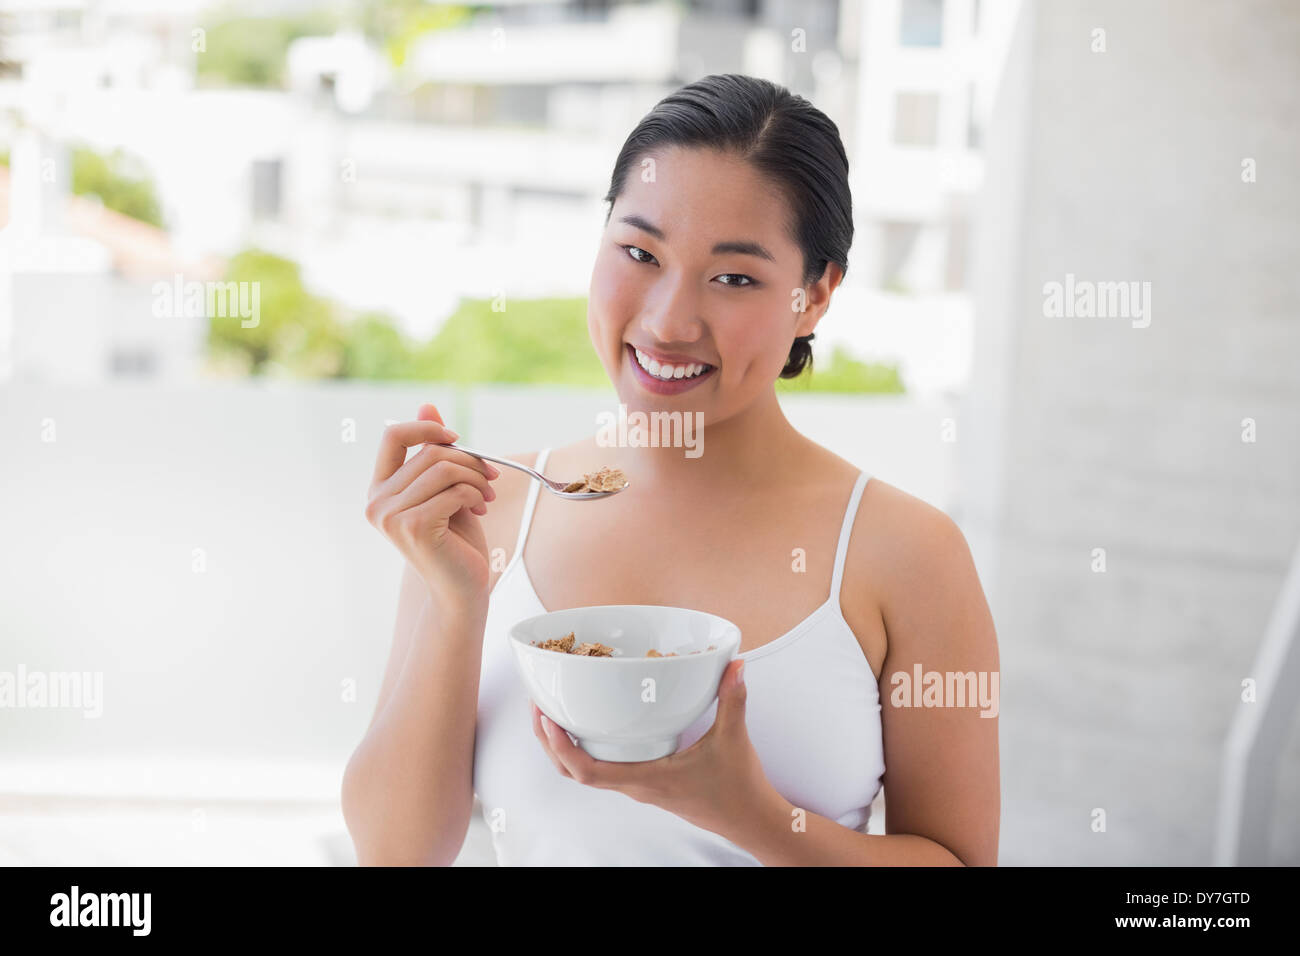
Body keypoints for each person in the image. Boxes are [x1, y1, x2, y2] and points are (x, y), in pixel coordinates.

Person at [342, 74, 1000, 866]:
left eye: (733, 277)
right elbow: (396, 853)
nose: (667, 320)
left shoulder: (907, 554)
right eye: (639, 252)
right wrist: (456, 602)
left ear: (815, 295)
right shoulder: (488, 512)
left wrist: (749, 812)